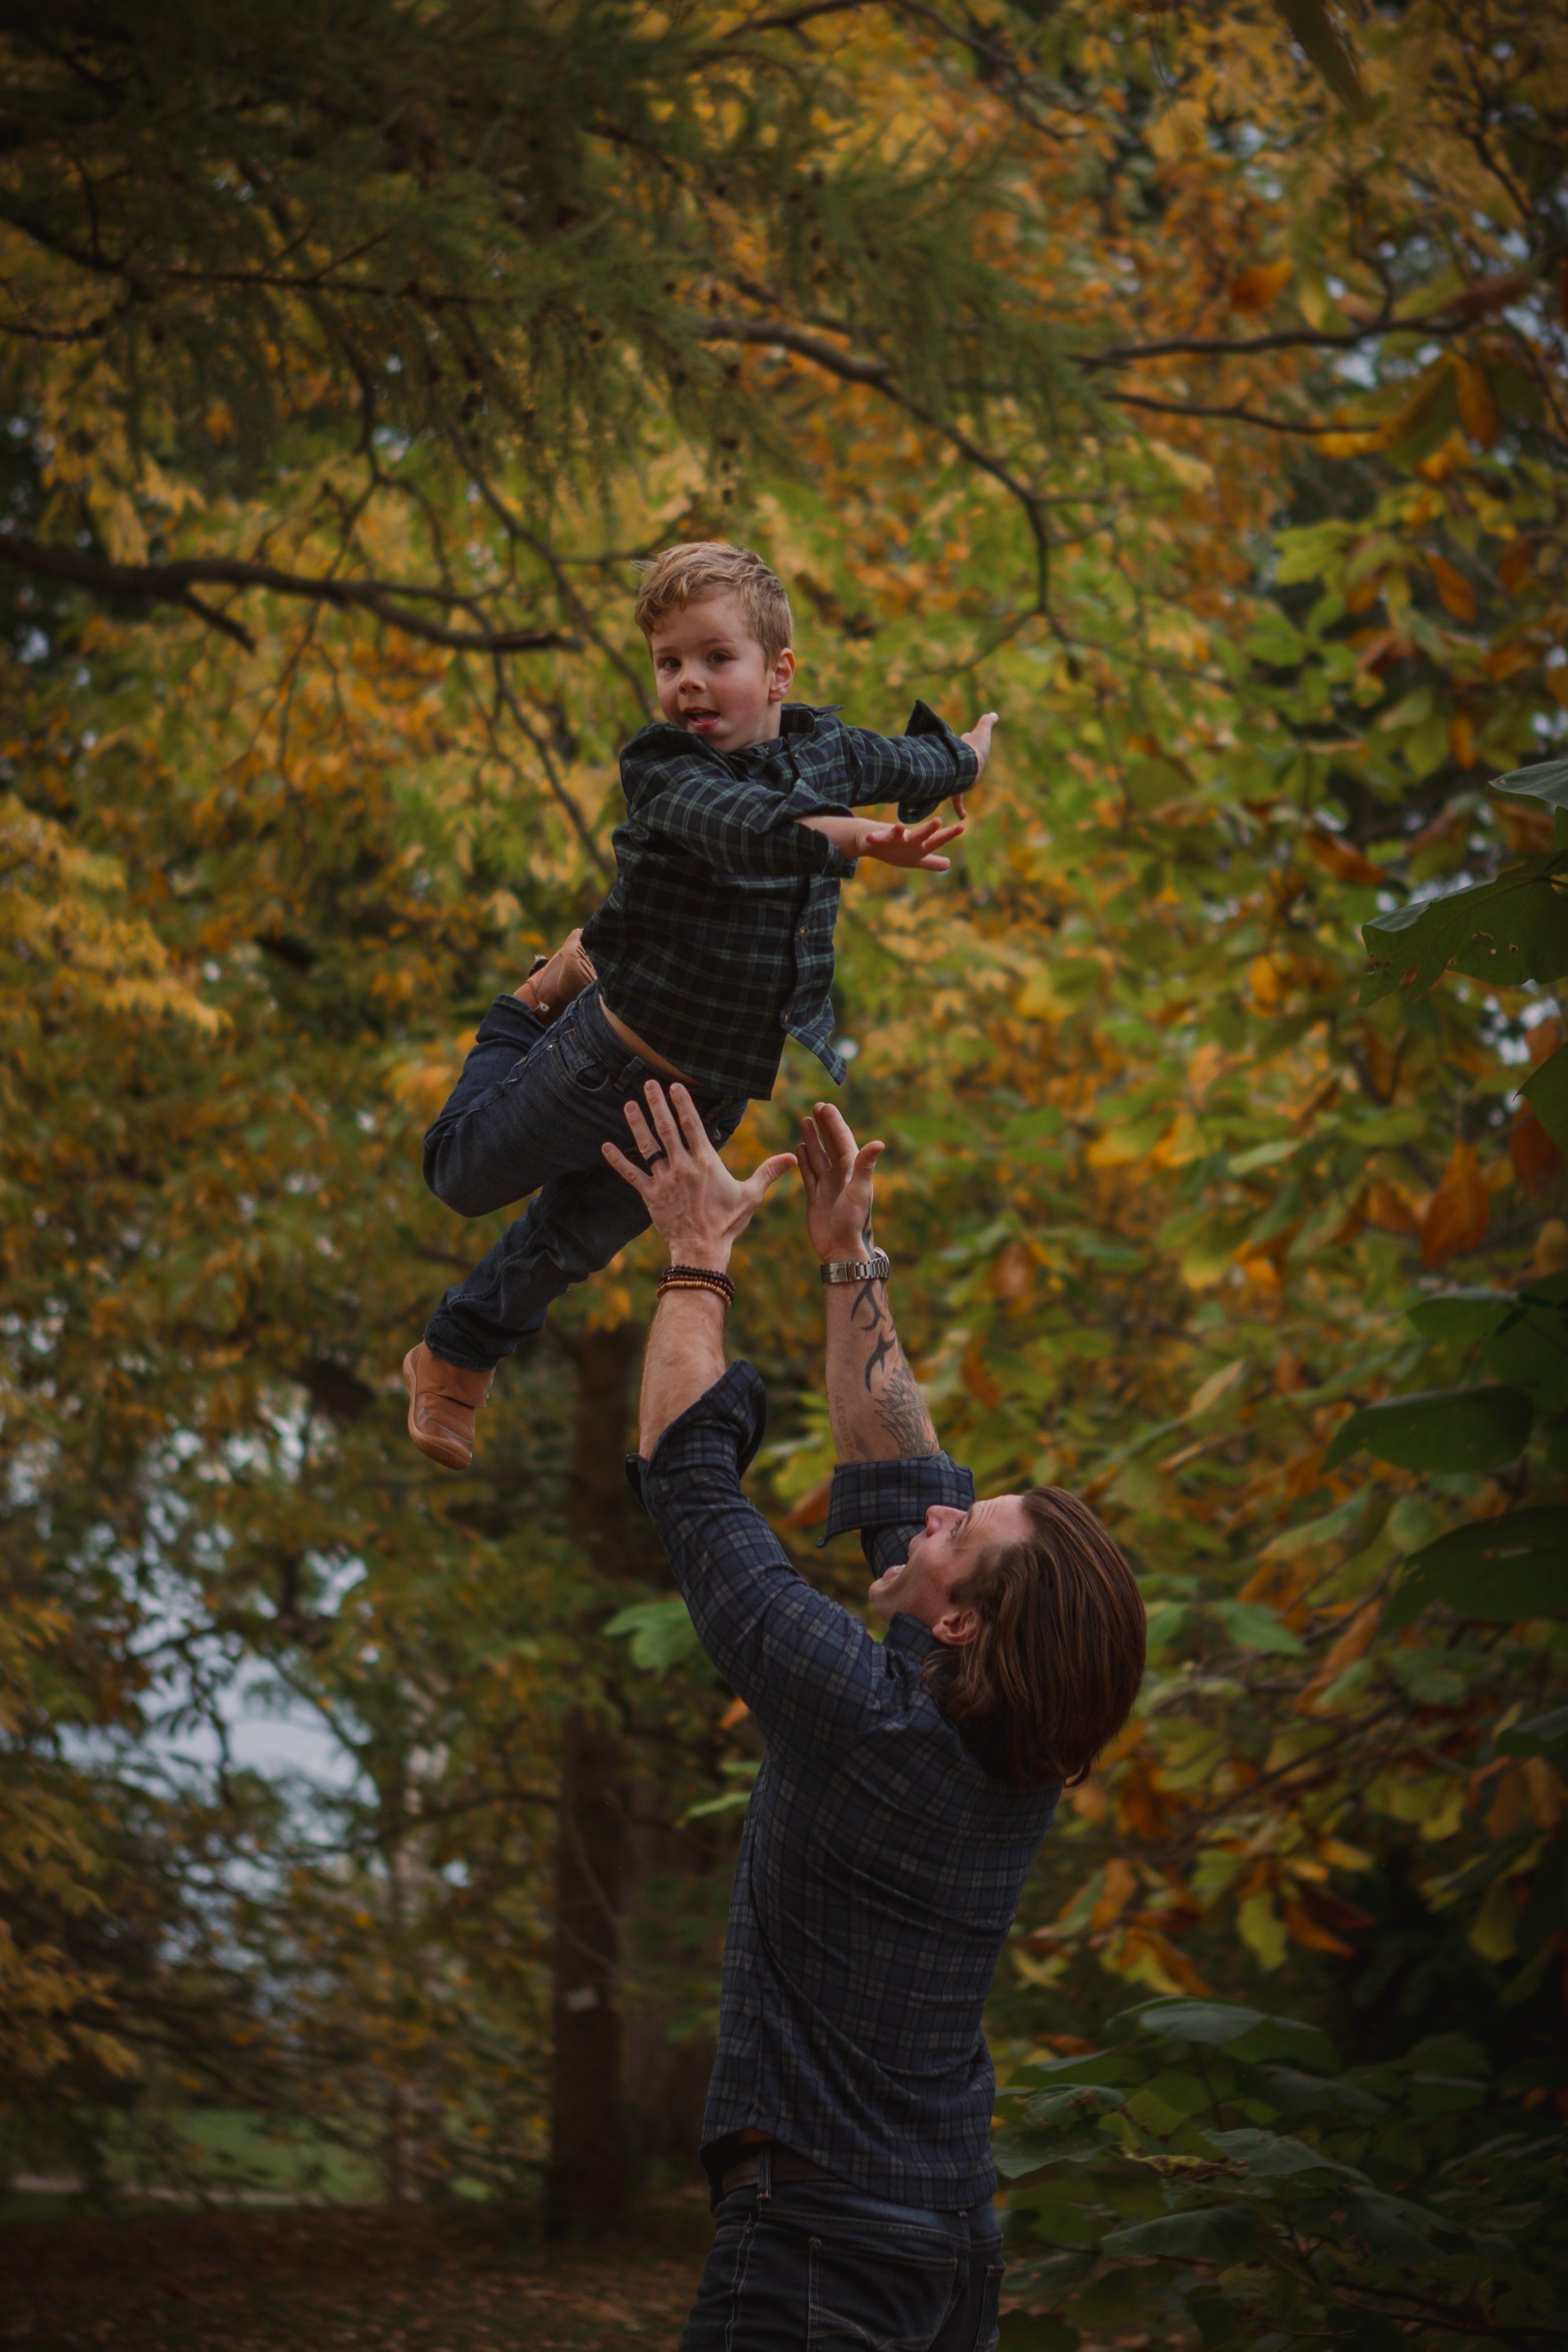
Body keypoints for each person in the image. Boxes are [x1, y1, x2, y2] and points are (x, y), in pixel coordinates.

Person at [606, 1083, 1147, 2352]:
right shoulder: (996, 1745)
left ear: (960, 1625)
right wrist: (846, 1254)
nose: (942, 1516)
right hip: (947, 2247)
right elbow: (904, 1470)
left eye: (970, 1531)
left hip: (818, 2262)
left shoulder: (863, 1720)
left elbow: (686, 1474)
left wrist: (696, 1256)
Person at [403, 538, 997, 1470]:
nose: (689, 683)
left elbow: (904, 761)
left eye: (716, 658)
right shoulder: (667, 769)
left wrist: (962, 754)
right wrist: (861, 839)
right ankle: (538, 993)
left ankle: (456, 1353)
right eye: (669, 663)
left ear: (776, 672)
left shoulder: (825, 749)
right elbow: (749, 834)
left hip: (705, 1096)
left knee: (568, 1244)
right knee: (459, 1179)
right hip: (608, 1053)